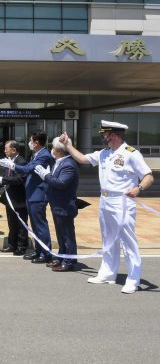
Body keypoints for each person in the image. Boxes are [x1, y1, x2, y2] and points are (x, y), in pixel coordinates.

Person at [60, 121, 154, 293]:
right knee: (108, 238)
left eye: (105, 134)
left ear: (114, 135)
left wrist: (138, 188)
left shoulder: (131, 154)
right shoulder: (104, 153)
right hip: (105, 200)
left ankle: (133, 279)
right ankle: (108, 273)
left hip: (123, 201)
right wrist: (68, 145)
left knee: (127, 240)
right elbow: (82, 159)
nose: (103, 136)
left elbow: (148, 176)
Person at [0, 130, 55, 264]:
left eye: (31, 141)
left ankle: (46, 253)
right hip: (32, 194)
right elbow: (29, 167)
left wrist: (12, 165)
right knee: (35, 226)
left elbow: (26, 170)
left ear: (36, 143)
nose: (29, 143)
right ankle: (38, 250)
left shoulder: (44, 155)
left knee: (40, 226)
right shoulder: (37, 154)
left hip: (38, 194)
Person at [35, 136, 79, 272]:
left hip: (64, 204)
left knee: (67, 235)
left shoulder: (68, 165)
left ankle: (69, 260)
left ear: (59, 150)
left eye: (53, 148)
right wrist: (48, 176)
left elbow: (61, 183)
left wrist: (46, 176)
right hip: (57, 203)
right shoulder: (59, 162)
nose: (52, 150)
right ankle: (61, 257)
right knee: (60, 234)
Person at [0, 140, 29, 255]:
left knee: (20, 223)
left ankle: (21, 246)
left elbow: (19, 179)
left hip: (19, 198)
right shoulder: (9, 161)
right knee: (11, 222)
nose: (4, 151)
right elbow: (6, 176)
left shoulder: (21, 162)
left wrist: (3, 180)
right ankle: (11, 244)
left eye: (6, 148)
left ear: (13, 150)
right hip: (10, 198)